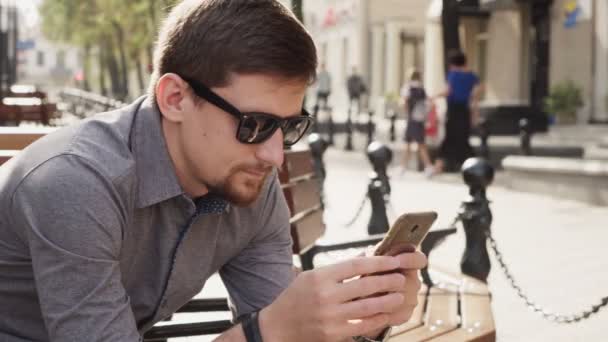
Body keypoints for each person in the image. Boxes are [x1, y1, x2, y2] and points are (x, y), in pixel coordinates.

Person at [0, 1, 426, 342]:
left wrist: (358, 321)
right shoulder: (77, 183)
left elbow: (277, 319)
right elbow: (270, 328)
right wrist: (271, 330)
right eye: (255, 125)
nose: (275, 155)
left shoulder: (247, 181)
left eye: (289, 127)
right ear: (174, 98)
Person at [432, 50, 483, 174]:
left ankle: (438, 166)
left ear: (453, 63)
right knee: (463, 139)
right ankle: (471, 166)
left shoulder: (453, 74)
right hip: (464, 111)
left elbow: (448, 91)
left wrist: (434, 96)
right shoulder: (472, 76)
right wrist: (475, 114)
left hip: (453, 110)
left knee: (449, 139)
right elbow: (476, 94)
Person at [400, 69, 433, 176]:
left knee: (412, 144)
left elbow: (404, 103)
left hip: (412, 119)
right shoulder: (422, 89)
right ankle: (404, 166)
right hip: (419, 120)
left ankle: (427, 166)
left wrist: (407, 113)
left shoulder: (408, 88)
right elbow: (428, 104)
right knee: (418, 143)